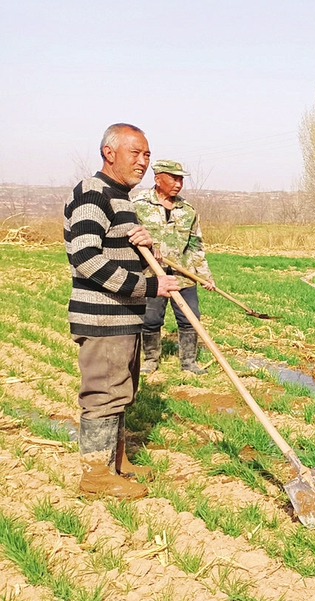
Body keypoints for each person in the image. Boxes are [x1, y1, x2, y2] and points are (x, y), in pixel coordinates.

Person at [64, 123, 179, 499]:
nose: (143, 161)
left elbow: (126, 257)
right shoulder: (93, 192)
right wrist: (149, 287)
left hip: (125, 317)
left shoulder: (122, 199)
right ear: (109, 153)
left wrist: (150, 251)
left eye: (147, 154)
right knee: (104, 394)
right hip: (103, 318)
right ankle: (95, 476)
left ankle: (117, 462)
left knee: (122, 392)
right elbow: (85, 257)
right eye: (136, 153)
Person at [134, 159, 215, 374]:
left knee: (190, 318)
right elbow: (128, 239)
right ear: (158, 179)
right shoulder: (138, 205)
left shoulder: (187, 210)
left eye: (180, 179)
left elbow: (196, 246)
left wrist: (205, 275)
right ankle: (151, 360)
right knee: (151, 319)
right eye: (173, 179)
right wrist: (149, 249)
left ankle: (189, 363)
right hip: (152, 273)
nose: (178, 184)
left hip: (184, 275)